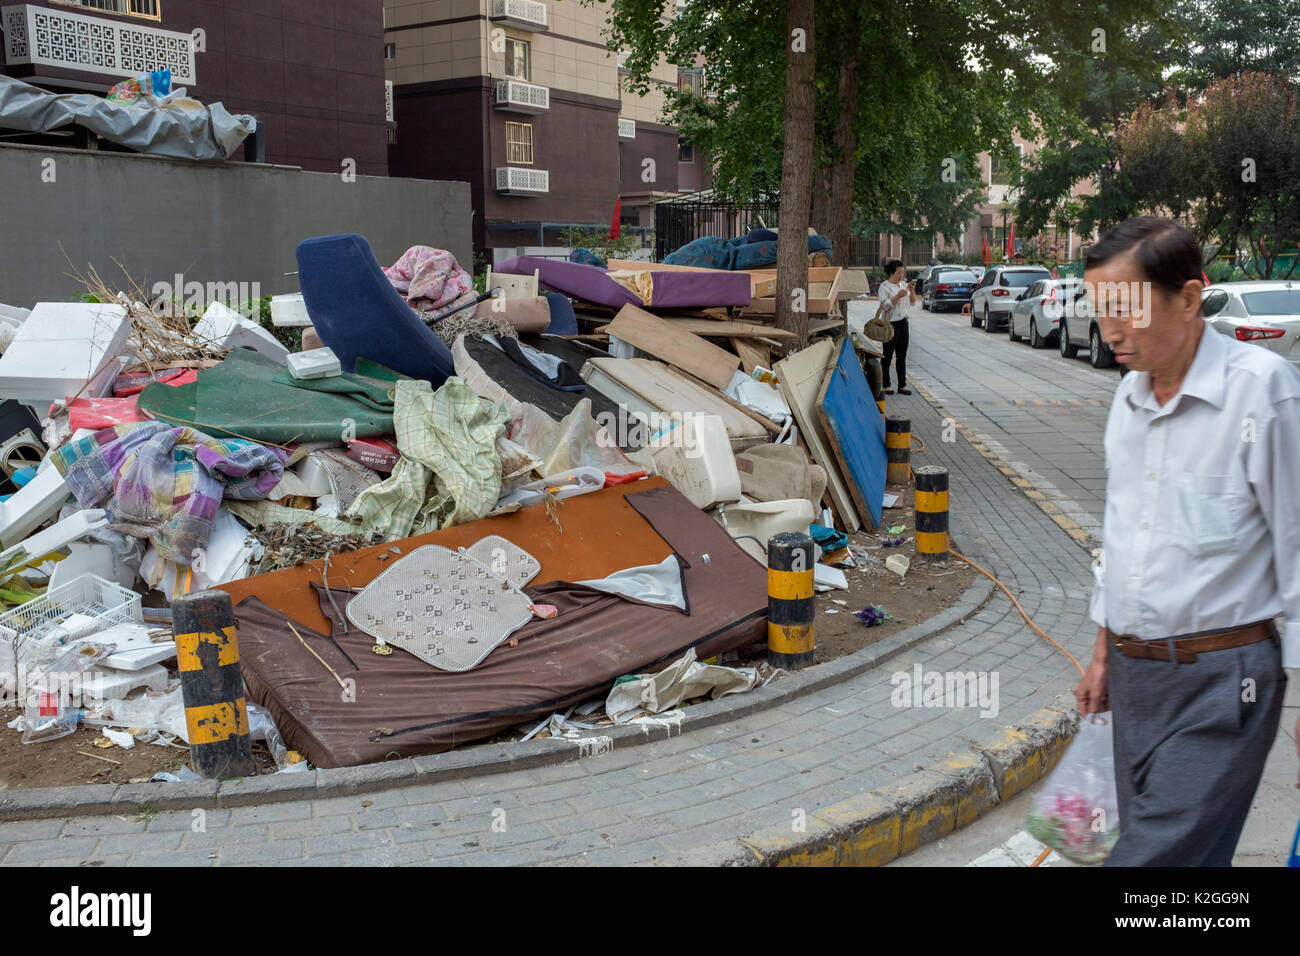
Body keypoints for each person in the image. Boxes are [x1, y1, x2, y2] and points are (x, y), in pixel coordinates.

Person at [1073, 216, 1300, 866]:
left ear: (1190, 297)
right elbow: (1120, 533)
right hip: (1134, 678)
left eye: (1126, 309)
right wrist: (1101, 654)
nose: (1110, 329)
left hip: (1223, 683)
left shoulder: (1262, 393)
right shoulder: (1127, 398)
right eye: (1100, 310)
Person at [877, 258, 917, 395]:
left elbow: (913, 303)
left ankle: (902, 385)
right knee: (887, 355)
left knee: (902, 355)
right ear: (891, 273)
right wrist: (898, 296)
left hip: (903, 322)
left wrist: (912, 291)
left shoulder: (904, 284)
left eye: (902, 272)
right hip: (890, 323)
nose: (901, 275)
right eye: (899, 272)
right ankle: (886, 384)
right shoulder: (884, 287)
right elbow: (885, 306)